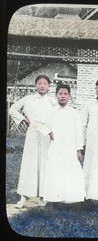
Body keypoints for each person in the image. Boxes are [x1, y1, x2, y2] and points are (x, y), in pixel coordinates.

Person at [9, 75, 57, 208]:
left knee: (44, 164)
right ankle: (23, 196)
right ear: (35, 85)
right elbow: (12, 109)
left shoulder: (53, 102)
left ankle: (43, 196)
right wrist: (24, 119)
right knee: (29, 164)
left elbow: (58, 118)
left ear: (49, 86)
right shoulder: (28, 99)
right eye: (39, 83)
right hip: (32, 134)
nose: (42, 86)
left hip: (46, 136)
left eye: (45, 84)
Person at [38, 84, 85, 203]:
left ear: (69, 96)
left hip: (70, 147)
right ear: (56, 95)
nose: (63, 96)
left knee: (71, 172)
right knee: (55, 171)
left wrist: (79, 149)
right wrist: (48, 132)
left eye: (65, 94)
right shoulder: (51, 111)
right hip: (56, 147)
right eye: (60, 94)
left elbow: (78, 132)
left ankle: (71, 198)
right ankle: (54, 198)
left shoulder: (74, 113)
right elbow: (38, 123)